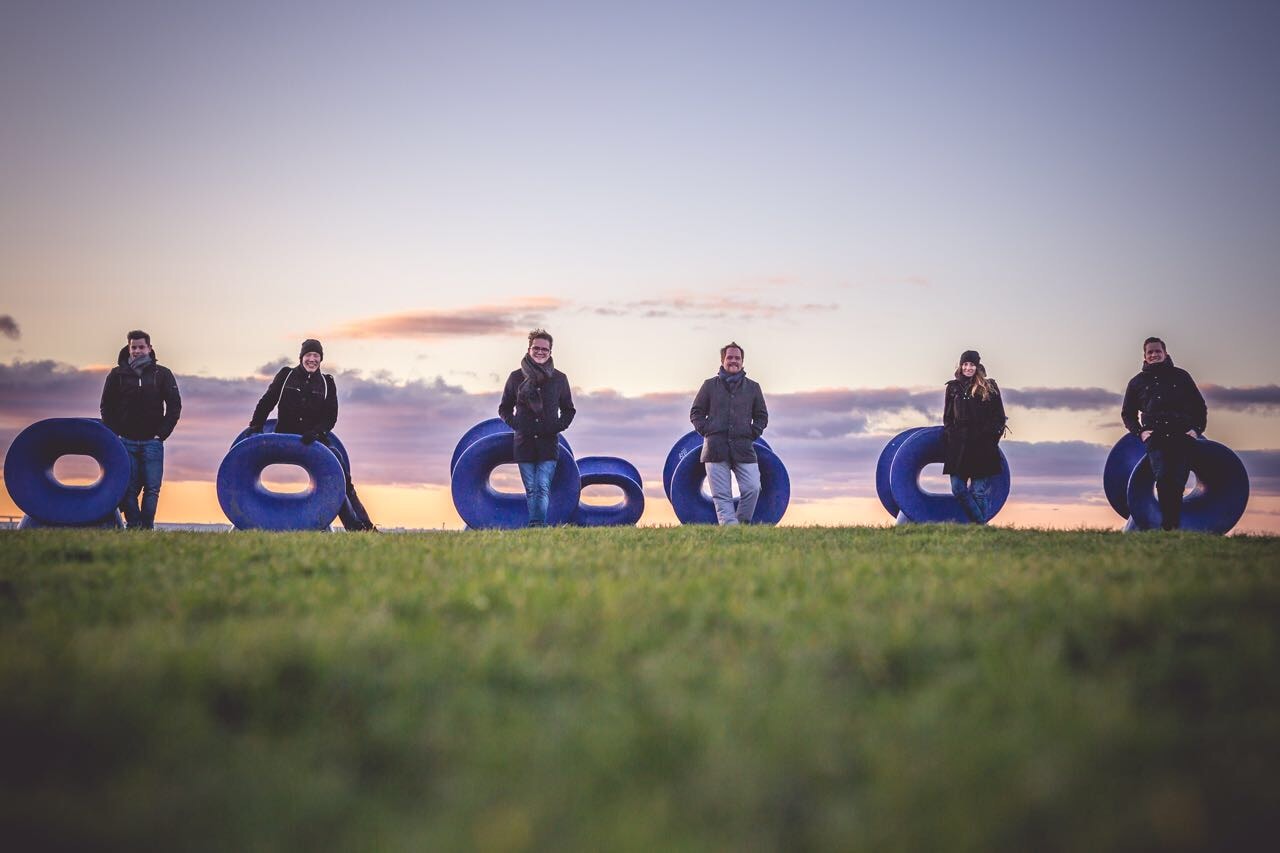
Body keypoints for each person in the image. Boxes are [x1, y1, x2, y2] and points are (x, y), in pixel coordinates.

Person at [247, 339, 377, 531]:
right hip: (285, 439)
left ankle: (361, 526)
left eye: (316, 356)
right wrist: (255, 426)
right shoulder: (286, 375)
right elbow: (268, 401)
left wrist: (316, 432)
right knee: (336, 467)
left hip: (313, 440)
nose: (312, 359)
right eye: (308, 355)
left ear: (321, 359)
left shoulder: (327, 382)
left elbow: (330, 417)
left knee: (340, 473)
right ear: (301, 357)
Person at [1121, 336, 1207, 530]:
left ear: (1165, 353)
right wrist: (1140, 432)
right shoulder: (1136, 382)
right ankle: (1169, 528)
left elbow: (1199, 406)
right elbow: (1127, 413)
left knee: (1177, 481)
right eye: (1150, 352)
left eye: (1157, 351)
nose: (1154, 355)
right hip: (1156, 438)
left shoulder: (1181, 376)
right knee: (1163, 478)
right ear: (1144, 356)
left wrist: (1196, 430)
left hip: (1182, 436)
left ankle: (1172, 527)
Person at [100, 329, 182, 529]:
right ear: (129, 348)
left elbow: (174, 405)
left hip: (153, 441)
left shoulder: (162, 374)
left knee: (152, 488)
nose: (137, 351)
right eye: (134, 347)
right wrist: (116, 433)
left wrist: (161, 434)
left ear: (149, 348)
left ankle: (147, 527)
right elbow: (106, 407)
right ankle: (134, 525)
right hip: (125, 441)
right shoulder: (117, 375)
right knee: (129, 488)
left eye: (141, 347)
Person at [498, 329, 576, 527]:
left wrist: (556, 426)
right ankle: (537, 527)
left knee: (542, 486)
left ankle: (536, 526)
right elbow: (504, 408)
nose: (540, 352)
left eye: (544, 349)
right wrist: (518, 425)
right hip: (523, 443)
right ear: (529, 349)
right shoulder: (515, 377)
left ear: (550, 352)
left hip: (548, 443)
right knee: (531, 488)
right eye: (536, 348)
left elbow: (569, 410)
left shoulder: (560, 379)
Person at [689, 341, 769, 525]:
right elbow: (696, 413)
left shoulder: (753, 387)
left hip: (744, 447)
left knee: (753, 488)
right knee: (721, 495)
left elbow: (761, 416)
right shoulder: (709, 385)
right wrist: (708, 431)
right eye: (730, 357)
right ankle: (730, 530)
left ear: (742, 362)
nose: (734, 361)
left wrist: (752, 433)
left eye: (737, 358)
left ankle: (741, 524)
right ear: (722, 361)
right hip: (715, 449)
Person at [942, 349, 1007, 524]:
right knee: (958, 488)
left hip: (982, 446)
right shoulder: (953, 387)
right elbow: (947, 417)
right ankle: (981, 527)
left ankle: (979, 530)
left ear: (977, 366)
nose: (968, 368)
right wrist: (952, 435)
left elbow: (999, 417)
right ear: (960, 366)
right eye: (965, 364)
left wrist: (990, 439)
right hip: (959, 446)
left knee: (979, 491)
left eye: (971, 364)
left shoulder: (989, 386)